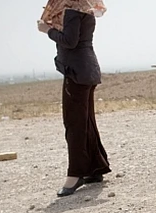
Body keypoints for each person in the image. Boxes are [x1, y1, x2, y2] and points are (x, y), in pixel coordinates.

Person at [38, 1, 110, 197]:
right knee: (86, 122)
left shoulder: (71, 11)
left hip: (76, 72)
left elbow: (70, 41)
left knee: (74, 124)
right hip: (87, 70)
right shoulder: (85, 10)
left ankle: (75, 174)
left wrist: (47, 30)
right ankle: (96, 168)